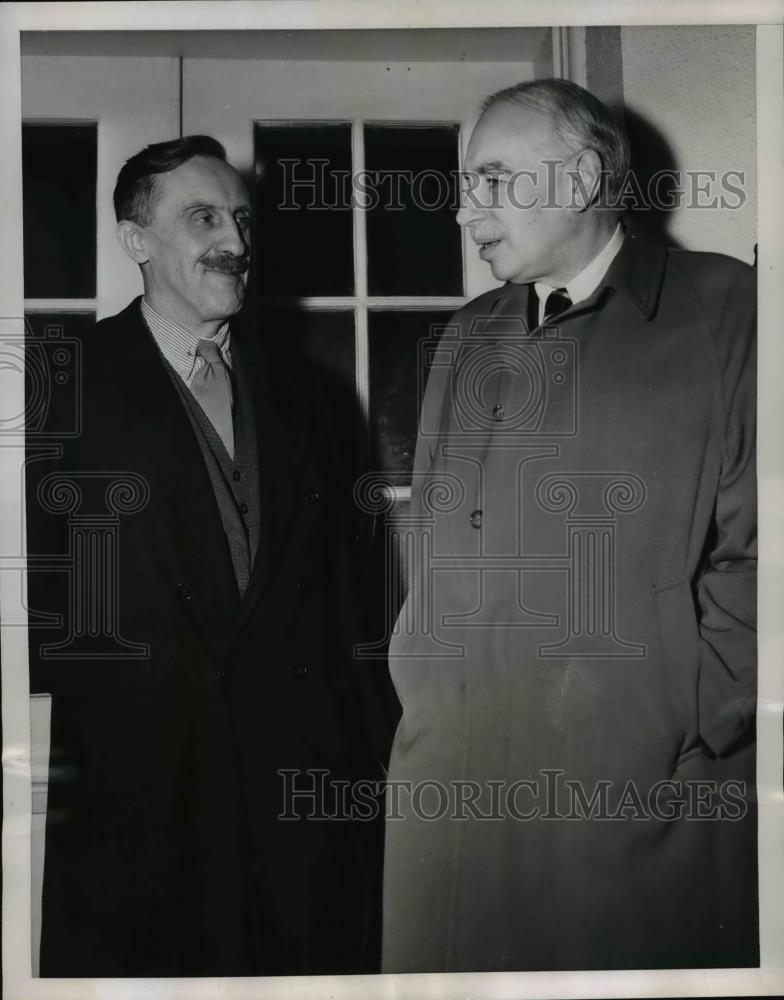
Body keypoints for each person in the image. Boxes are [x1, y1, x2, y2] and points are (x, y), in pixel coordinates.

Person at [381, 80, 757, 972]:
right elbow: (435, 545)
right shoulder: (466, 336)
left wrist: (683, 711)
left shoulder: (730, 312)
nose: (465, 209)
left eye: (493, 179)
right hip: (453, 789)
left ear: (584, 177)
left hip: (637, 800)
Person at [26, 135, 395, 976]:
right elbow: (44, 594)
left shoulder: (312, 395)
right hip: (136, 796)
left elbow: (348, 596)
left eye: (239, 216)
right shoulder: (65, 381)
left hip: (296, 798)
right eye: (202, 218)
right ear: (136, 241)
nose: (234, 239)